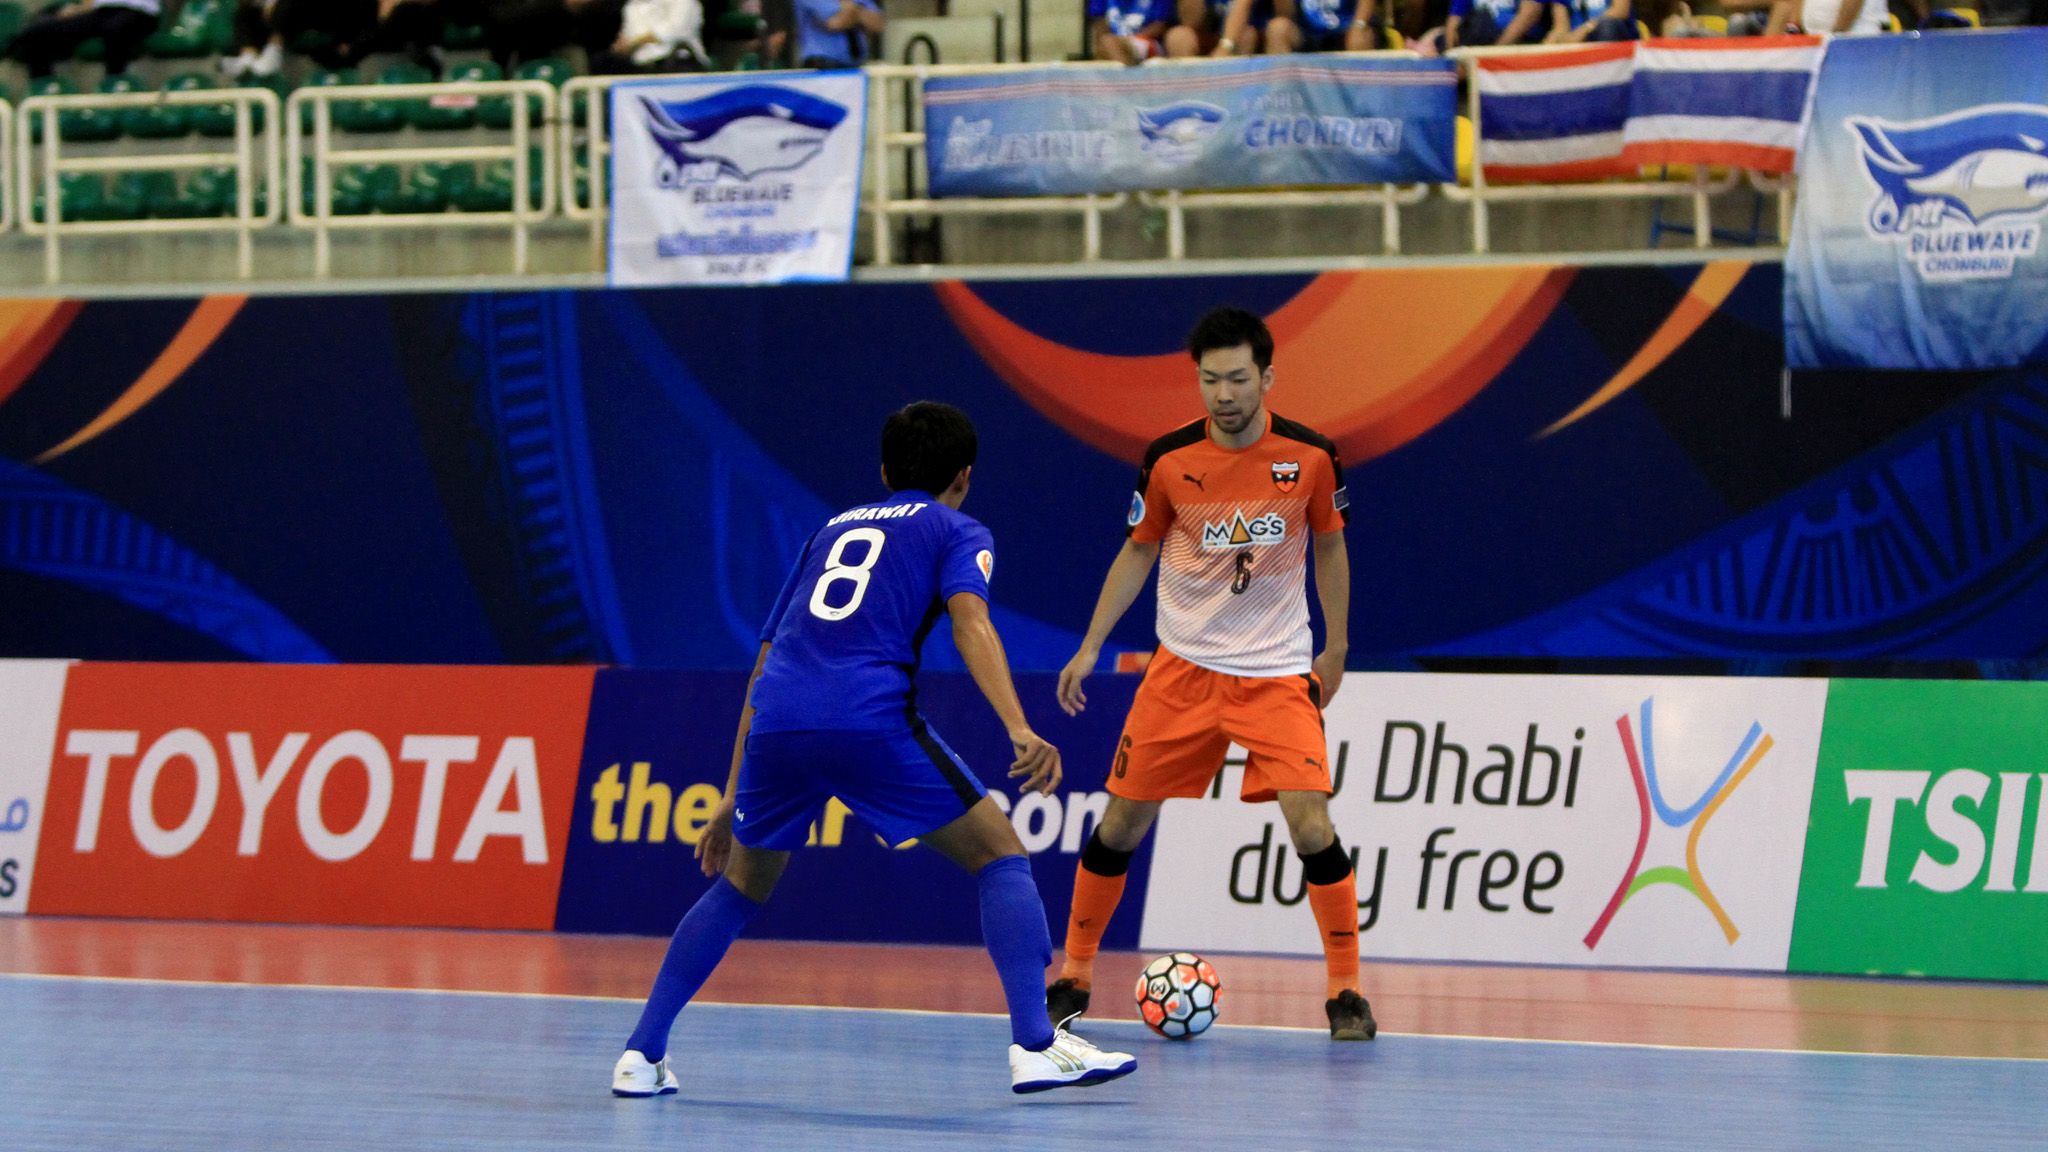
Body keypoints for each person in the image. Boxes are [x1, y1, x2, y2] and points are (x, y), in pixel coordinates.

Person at [612, 402, 1138, 1099]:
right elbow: (971, 621)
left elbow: (766, 661)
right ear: (964, 477)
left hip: (778, 724)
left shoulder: (828, 531)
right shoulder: (958, 528)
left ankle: (640, 1056)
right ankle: (1037, 1044)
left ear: (885, 471)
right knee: (1001, 856)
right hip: (867, 718)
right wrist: (1017, 725)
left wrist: (734, 793)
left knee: (739, 886)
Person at [1047, 308, 1375, 1043]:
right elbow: (1138, 550)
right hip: (1181, 671)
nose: (1222, 394)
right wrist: (1092, 643)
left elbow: (1330, 547)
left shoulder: (1311, 458)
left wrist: (1338, 646)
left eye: (1236, 378)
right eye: (1208, 379)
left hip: (1277, 671)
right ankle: (1071, 973)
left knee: (1312, 824)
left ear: (1266, 377)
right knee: (1119, 825)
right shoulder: (1167, 460)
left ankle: (1346, 991)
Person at [9, 0, 160, 78]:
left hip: (140, 13)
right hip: (102, 12)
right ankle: (44, 89)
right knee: (37, 33)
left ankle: (115, 85)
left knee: (115, 30)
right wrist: (77, 10)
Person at [792, 0, 880, 67]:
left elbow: (878, 23)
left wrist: (851, 10)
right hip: (823, 64)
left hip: (856, 66)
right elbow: (835, 23)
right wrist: (860, 10)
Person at [1089, 0, 1172, 62]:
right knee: (1106, 43)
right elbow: (1100, 28)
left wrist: (1127, 42)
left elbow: (1159, 27)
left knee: (1110, 43)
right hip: (1113, 42)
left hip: (1149, 41)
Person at [1442, 0, 1545, 45]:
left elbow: (1530, 14)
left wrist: (1495, 51)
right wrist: (1454, 56)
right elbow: (1454, 20)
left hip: (1519, 41)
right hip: (1474, 39)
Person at [1544, 0, 1635, 40]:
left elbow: (1620, 10)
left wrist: (1585, 30)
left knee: (1607, 26)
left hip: (1613, 38)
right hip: (1577, 42)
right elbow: (1560, 28)